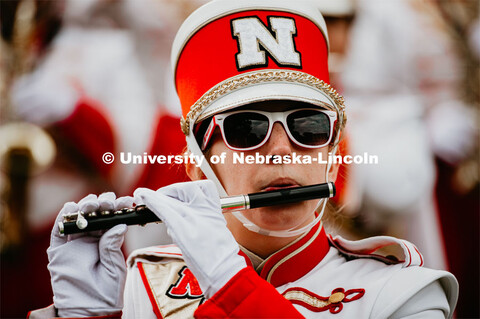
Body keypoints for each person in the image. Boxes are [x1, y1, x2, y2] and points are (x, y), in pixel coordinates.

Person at [28, 1, 458, 318]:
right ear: (197, 166)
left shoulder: (407, 297)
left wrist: (234, 287)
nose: (281, 150)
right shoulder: (141, 286)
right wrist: (86, 316)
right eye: (246, 129)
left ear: (333, 156)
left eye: (308, 127)